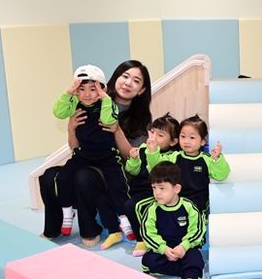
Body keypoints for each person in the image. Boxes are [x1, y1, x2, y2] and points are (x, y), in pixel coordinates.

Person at [39, 60, 152, 247]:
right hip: (87, 157)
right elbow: (74, 147)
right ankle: (53, 228)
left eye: (136, 80)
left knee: (84, 176)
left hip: (116, 167)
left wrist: (117, 130)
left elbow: (131, 157)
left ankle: (90, 230)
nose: (128, 82)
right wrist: (71, 128)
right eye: (125, 76)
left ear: (141, 90)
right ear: (114, 79)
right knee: (49, 176)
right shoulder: (88, 99)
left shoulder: (141, 119)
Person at [52, 65, 132, 245]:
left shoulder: (107, 104)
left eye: (93, 89)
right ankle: (67, 211)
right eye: (82, 89)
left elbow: (108, 120)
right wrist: (68, 93)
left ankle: (124, 218)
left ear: (102, 89)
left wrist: (105, 98)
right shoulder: (74, 103)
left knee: (118, 184)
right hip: (83, 155)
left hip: (107, 156)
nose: (87, 94)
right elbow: (58, 112)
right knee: (62, 177)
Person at [139, 161, 206, 279]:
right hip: (164, 250)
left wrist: (184, 246)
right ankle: (186, 270)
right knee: (147, 260)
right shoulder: (152, 209)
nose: (157, 193)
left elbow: (197, 230)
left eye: (162, 188)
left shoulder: (189, 206)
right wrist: (163, 249)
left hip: (185, 249)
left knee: (196, 257)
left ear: (176, 189)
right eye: (154, 188)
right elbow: (147, 233)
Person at [146, 115, 230, 216]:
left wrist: (217, 159)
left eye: (192, 137)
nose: (186, 141)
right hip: (175, 203)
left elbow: (221, 175)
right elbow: (156, 169)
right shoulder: (174, 156)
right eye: (183, 136)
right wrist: (152, 151)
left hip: (198, 206)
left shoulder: (207, 159)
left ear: (202, 141)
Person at [124, 113, 180, 257]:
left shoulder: (173, 155)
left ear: (173, 141)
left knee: (133, 206)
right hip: (138, 189)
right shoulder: (143, 148)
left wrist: (153, 151)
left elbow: (157, 171)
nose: (154, 137)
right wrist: (133, 160)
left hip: (154, 192)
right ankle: (124, 224)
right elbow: (132, 171)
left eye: (160, 135)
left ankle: (142, 239)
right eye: (153, 132)